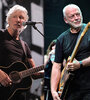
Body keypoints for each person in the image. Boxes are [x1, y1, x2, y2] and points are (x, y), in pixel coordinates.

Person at [0, 5, 43, 100]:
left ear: (25, 23)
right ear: (8, 20)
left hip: (17, 95)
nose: (18, 20)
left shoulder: (24, 46)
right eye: (14, 16)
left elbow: (34, 73)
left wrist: (50, 68)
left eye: (21, 17)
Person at [51, 4, 90, 100]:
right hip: (70, 90)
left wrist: (80, 64)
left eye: (78, 14)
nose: (76, 18)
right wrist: (53, 90)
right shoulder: (61, 39)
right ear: (65, 20)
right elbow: (57, 66)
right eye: (72, 16)